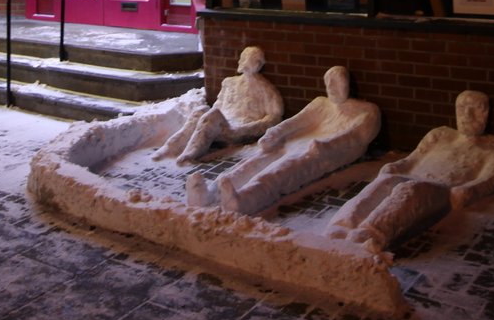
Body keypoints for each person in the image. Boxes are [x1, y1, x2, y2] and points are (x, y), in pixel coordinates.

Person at [326, 90, 494, 252]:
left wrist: (467, 191)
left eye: (476, 110)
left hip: (441, 188)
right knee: (385, 181)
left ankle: (373, 233)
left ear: (486, 113)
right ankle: (344, 223)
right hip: (411, 176)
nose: (467, 116)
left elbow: (492, 177)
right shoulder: (440, 135)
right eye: (462, 109)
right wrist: (397, 166)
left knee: (410, 191)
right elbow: (414, 158)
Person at [189, 66, 379, 217]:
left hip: (318, 151)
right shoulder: (321, 103)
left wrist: (326, 145)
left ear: (347, 85)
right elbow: (298, 120)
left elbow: (357, 137)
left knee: (280, 172)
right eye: (328, 82)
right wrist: (276, 132)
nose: (332, 87)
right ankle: (210, 192)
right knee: (257, 160)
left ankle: (246, 199)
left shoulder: (366, 111)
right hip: (297, 142)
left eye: (337, 83)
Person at [153, 46, 283, 166]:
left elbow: (274, 117)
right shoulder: (229, 82)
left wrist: (251, 128)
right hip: (224, 122)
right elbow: (218, 105)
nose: (241, 61)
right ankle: (171, 146)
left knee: (212, 116)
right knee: (200, 111)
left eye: (245, 59)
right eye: (241, 57)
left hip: (238, 129)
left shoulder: (265, 89)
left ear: (257, 64)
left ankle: (191, 152)